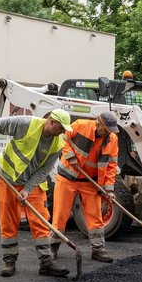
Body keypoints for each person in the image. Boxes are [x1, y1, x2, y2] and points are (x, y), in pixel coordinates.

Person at [0, 109, 72, 278]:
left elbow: (44, 170)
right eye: (61, 128)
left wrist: (27, 189)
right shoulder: (26, 124)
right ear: (51, 122)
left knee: (40, 221)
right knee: (8, 222)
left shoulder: (58, 144)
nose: (63, 132)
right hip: (7, 179)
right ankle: (9, 261)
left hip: (32, 185)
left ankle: (46, 263)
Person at [51, 111, 120, 264]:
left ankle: (98, 250)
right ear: (98, 123)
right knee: (60, 215)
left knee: (95, 217)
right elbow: (63, 137)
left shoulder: (112, 139)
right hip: (67, 178)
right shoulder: (80, 125)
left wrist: (109, 189)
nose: (109, 133)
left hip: (91, 182)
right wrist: (70, 156)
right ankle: (53, 247)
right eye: (106, 129)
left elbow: (111, 166)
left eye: (111, 130)